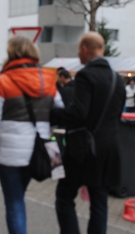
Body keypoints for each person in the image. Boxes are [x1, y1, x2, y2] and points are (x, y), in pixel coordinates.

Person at [0, 36, 64, 234]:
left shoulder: (4, 80)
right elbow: (60, 110)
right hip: (40, 148)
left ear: (12, 53)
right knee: (19, 197)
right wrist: (45, 127)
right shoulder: (49, 79)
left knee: (14, 201)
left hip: (9, 152)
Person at [51, 32, 125, 234]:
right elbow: (117, 115)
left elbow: (78, 113)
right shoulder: (117, 79)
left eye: (78, 51)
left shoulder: (85, 75)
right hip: (109, 149)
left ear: (84, 49)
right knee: (100, 203)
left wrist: (51, 113)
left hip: (84, 150)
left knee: (65, 197)